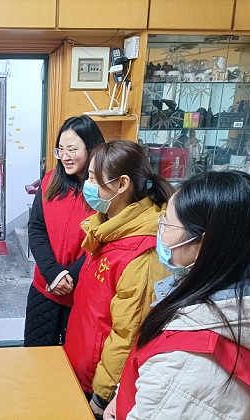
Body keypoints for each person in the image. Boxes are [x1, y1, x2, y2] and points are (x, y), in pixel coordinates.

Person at [109, 171, 250, 420]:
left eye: (167, 224)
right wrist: (122, 395)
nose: (160, 232)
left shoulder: (188, 366)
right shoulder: (247, 295)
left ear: (202, 243)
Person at [63, 140, 175, 419]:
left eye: (93, 178)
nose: (87, 185)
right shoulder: (107, 228)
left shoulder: (142, 252)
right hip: (80, 366)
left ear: (122, 184)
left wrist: (102, 396)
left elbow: (127, 334)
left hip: (99, 386)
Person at [24, 115, 105, 346]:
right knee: (36, 356)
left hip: (82, 292)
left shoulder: (103, 190)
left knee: (73, 359)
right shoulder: (50, 181)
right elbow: (36, 228)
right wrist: (53, 273)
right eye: (60, 150)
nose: (65, 156)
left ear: (92, 148)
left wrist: (68, 276)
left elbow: (103, 242)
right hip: (45, 288)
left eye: (72, 149)